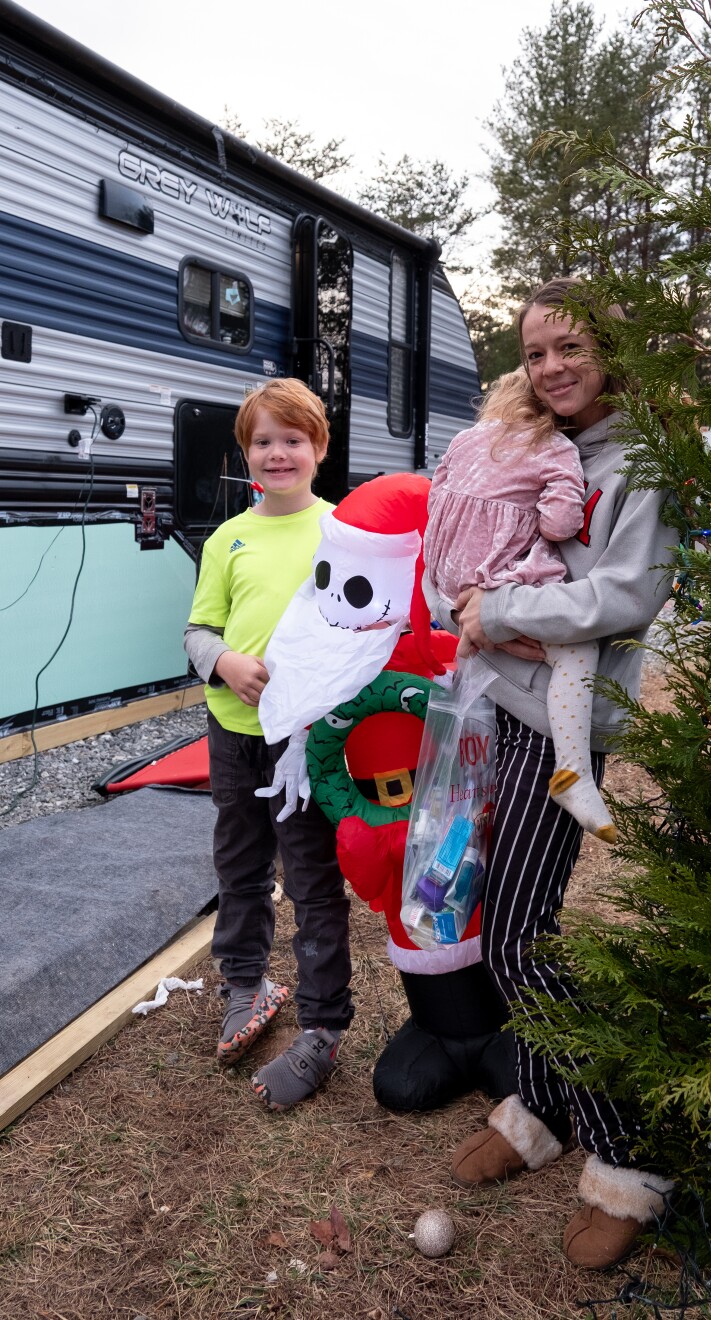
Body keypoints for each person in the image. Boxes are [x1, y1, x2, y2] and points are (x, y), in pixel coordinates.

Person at [423, 278, 675, 1270]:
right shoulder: (532, 440)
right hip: (499, 703)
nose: (551, 369)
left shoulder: (640, 456)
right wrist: (467, 605)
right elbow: (479, 542)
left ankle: (628, 1157)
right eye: (534, 354)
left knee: (521, 941)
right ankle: (535, 1109)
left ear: (610, 346)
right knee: (497, 925)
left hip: (560, 728)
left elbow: (627, 590)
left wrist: (505, 616)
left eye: (568, 348)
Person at [183, 378, 353, 1112]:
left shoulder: (345, 532)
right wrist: (223, 662)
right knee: (241, 867)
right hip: (235, 736)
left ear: (319, 447)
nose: (277, 453)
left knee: (313, 881)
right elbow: (198, 631)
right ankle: (245, 987)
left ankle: (322, 1027)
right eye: (262, 441)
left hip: (307, 744)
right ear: (244, 454)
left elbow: (365, 630)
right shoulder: (229, 538)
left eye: (293, 439)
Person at [423, 368, 616, 842]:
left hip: (448, 576)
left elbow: (436, 494)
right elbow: (559, 523)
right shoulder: (556, 448)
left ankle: (474, 640)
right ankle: (574, 773)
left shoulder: (468, 437)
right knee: (576, 650)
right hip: (494, 576)